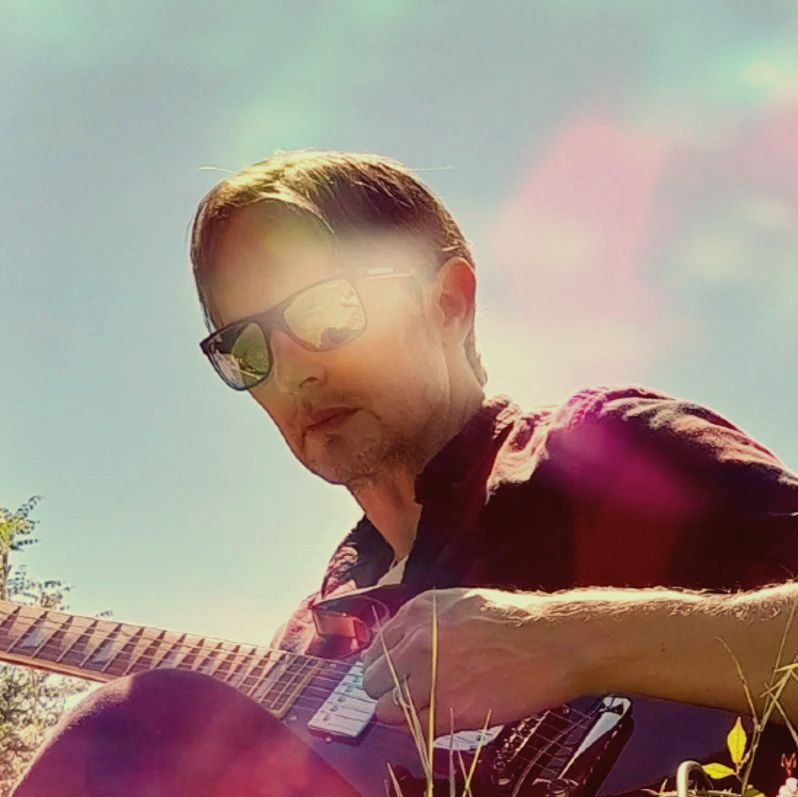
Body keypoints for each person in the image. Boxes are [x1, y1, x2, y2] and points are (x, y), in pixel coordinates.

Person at [13, 150, 798, 796]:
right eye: (247, 348)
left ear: (449, 304)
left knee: (140, 722)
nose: (293, 371)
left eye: (327, 312)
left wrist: (570, 639)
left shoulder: (610, 454)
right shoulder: (315, 631)